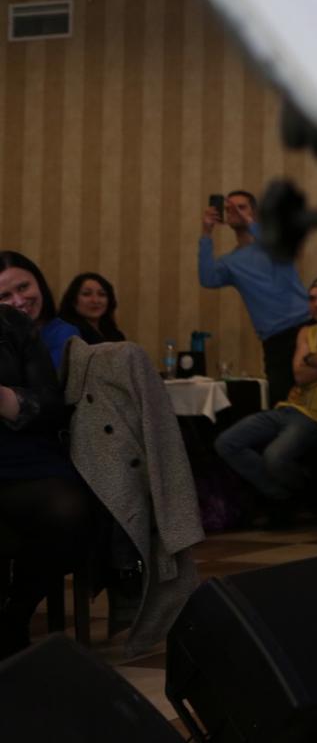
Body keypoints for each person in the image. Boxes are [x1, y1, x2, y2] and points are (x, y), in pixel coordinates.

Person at [0, 304, 93, 659]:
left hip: (20, 457)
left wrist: (7, 399)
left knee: (68, 510)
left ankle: (15, 615)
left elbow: (52, 404)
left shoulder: (12, 323)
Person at [214, 277, 317, 527]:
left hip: (314, 414)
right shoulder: (306, 332)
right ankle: (284, 495)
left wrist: (310, 360)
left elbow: (309, 367)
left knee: (274, 457)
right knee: (226, 443)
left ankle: (305, 494)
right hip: (287, 407)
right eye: (312, 299)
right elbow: (299, 375)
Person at [198, 190, 309, 407]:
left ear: (255, 213)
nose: (234, 211)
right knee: (281, 401)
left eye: (241, 207)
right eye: (229, 209)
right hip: (274, 339)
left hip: (305, 327)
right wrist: (206, 232)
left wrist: (252, 223)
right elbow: (207, 278)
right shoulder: (231, 262)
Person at [0, 251, 80, 370]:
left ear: (39, 283)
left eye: (23, 287)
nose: (20, 301)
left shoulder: (64, 334)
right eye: (5, 296)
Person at [58, 272, 127, 345]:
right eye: (86, 294)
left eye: (102, 294)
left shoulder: (114, 333)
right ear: (73, 300)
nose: (95, 301)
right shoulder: (66, 331)